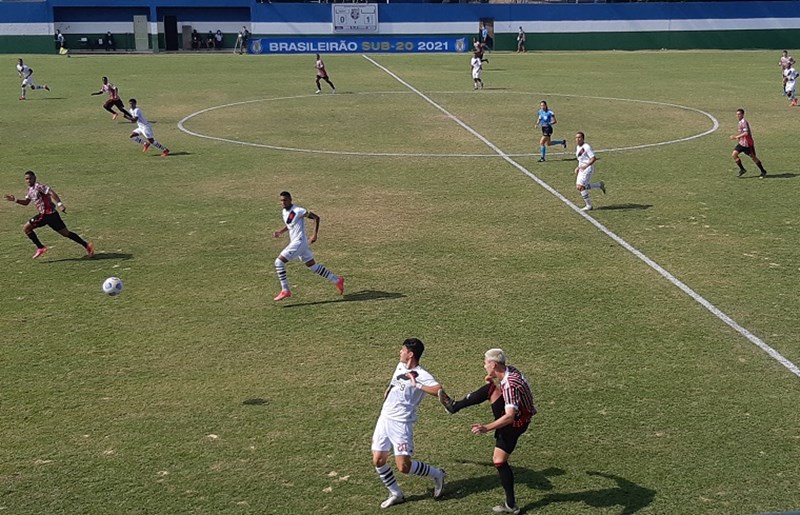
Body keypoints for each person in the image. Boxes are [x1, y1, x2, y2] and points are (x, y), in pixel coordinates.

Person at [438, 349, 535, 515]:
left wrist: (486, 428)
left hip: (516, 422)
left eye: (486, 363)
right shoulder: (510, 371)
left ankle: (511, 505)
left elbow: (509, 417)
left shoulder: (510, 385)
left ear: (494, 364)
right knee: (491, 389)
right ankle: (454, 407)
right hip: (519, 413)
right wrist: (493, 377)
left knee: (499, 461)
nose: (484, 365)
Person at [371, 338, 447, 509]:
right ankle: (396, 493)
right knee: (378, 460)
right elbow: (394, 383)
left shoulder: (421, 374)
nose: (400, 352)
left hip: (401, 423)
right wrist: (388, 392)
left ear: (410, 354)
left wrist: (418, 385)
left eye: (402, 350)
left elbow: (438, 390)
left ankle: (438, 474)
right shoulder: (400, 366)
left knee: (404, 467)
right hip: (385, 419)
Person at [4, 170, 94, 259]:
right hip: (51, 215)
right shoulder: (30, 189)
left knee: (26, 228)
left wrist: (59, 204)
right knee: (66, 233)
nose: (28, 180)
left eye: (30, 178)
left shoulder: (39, 186)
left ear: (35, 178)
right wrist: (15, 200)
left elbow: (51, 192)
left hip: (46, 215)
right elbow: (26, 202)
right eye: (26, 179)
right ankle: (87, 245)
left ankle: (41, 247)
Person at [272, 191, 344, 301]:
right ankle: (337, 280)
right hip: (299, 243)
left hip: (299, 242)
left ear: (291, 199)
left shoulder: (299, 210)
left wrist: (315, 234)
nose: (283, 202)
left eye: (285, 200)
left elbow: (316, 218)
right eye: (281, 200)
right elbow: (290, 225)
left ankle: (285, 290)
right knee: (313, 266)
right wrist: (280, 232)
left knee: (279, 262)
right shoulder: (284, 211)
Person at [730, 108, 767, 178]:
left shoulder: (743, 122)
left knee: (753, 158)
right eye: (737, 114)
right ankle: (742, 169)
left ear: (743, 114)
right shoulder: (740, 122)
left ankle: (763, 171)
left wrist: (736, 136)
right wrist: (739, 138)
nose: (738, 116)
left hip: (747, 144)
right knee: (734, 154)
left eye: (739, 114)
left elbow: (746, 133)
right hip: (741, 143)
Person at [574, 131, 605, 211]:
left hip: (587, 169)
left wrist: (586, 165)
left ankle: (589, 206)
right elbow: (581, 159)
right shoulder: (578, 147)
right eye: (576, 137)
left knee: (581, 187)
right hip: (582, 168)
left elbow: (593, 158)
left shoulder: (586, 147)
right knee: (579, 187)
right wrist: (578, 167)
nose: (577, 139)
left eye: (579, 137)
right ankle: (599, 185)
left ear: (583, 138)